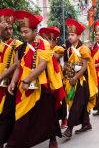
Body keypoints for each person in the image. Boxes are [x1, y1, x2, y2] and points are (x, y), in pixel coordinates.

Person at [6, 10, 65, 148]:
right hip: (24, 87)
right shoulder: (21, 48)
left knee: (48, 116)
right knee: (22, 116)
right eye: (22, 32)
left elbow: (42, 66)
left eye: (26, 31)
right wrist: (14, 82)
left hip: (42, 85)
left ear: (34, 31)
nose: (23, 35)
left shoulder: (43, 44)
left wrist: (27, 80)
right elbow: (18, 67)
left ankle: (52, 139)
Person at [62, 19, 98, 139]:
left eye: (72, 35)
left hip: (83, 81)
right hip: (72, 80)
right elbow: (67, 64)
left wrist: (75, 78)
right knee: (78, 104)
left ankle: (69, 128)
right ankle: (86, 124)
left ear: (79, 35)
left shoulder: (84, 49)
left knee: (77, 104)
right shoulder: (68, 50)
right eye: (69, 35)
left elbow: (84, 67)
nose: (70, 37)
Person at [0, 8, 23, 148]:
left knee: (6, 114)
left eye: (10, 28)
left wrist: (2, 76)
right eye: (5, 29)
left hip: (9, 83)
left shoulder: (17, 44)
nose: (9, 31)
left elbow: (16, 65)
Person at [39, 26, 68, 129]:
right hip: (46, 78)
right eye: (46, 38)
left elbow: (56, 55)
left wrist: (50, 45)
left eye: (51, 39)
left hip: (58, 78)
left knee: (61, 98)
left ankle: (64, 119)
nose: (48, 41)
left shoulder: (57, 49)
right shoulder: (42, 49)